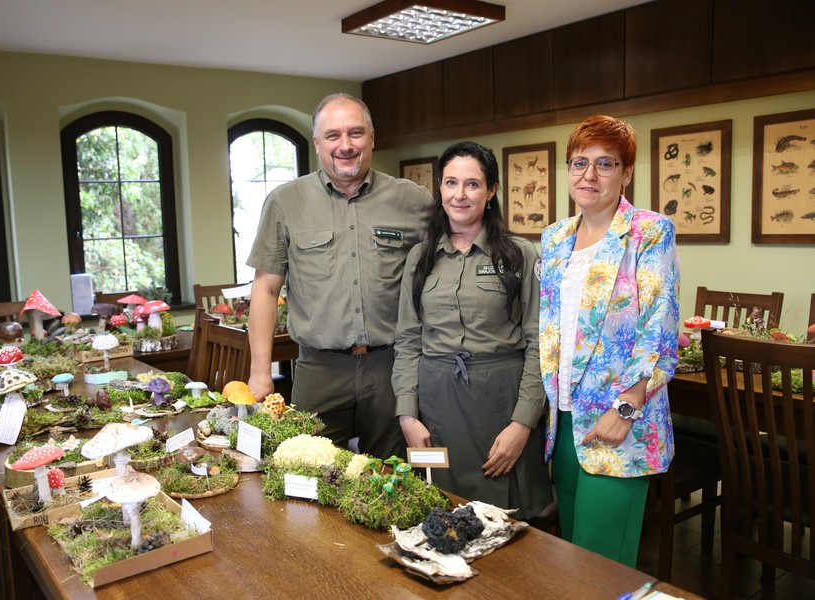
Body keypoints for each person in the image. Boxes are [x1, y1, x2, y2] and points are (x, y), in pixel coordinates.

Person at [245, 93, 433, 460]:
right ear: (317, 143)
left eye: (355, 133)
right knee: (307, 476)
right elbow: (266, 290)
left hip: (393, 369)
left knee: (390, 478)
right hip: (319, 370)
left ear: (372, 138)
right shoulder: (285, 202)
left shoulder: (413, 201)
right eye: (333, 136)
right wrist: (260, 373)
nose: (345, 145)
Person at [538, 115, 680, 567]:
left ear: (627, 172)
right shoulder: (555, 238)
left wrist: (626, 408)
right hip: (562, 419)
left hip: (620, 422)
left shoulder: (650, 231)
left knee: (602, 566)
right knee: (571, 558)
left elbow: (659, 326)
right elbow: (549, 329)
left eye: (605, 163)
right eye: (580, 163)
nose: (589, 175)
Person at [392, 141, 552, 518]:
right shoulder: (420, 257)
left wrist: (523, 423)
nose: (459, 195)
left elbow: (541, 343)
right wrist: (406, 414)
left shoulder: (520, 254)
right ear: (440, 189)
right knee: (440, 514)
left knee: (506, 520)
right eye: (450, 183)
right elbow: (407, 339)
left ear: (492, 191)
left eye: (472, 184)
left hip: (501, 405)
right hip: (436, 409)